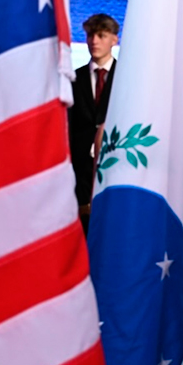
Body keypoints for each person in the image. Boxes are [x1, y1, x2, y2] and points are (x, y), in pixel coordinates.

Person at [69, 13, 119, 233]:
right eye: (90, 35)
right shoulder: (73, 79)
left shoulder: (127, 78)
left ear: (114, 40)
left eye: (101, 35)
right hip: (78, 176)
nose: (94, 41)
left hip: (115, 168)